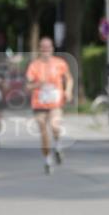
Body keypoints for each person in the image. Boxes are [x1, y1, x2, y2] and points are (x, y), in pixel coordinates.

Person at [25, 37, 73, 173]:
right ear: (40, 49)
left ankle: (57, 147)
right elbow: (27, 86)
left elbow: (69, 78)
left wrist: (68, 91)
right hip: (39, 104)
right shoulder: (34, 65)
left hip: (55, 103)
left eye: (48, 47)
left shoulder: (60, 63)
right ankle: (47, 160)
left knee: (55, 126)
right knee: (44, 134)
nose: (46, 50)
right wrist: (37, 84)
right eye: (43, 47)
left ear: (52, 48)